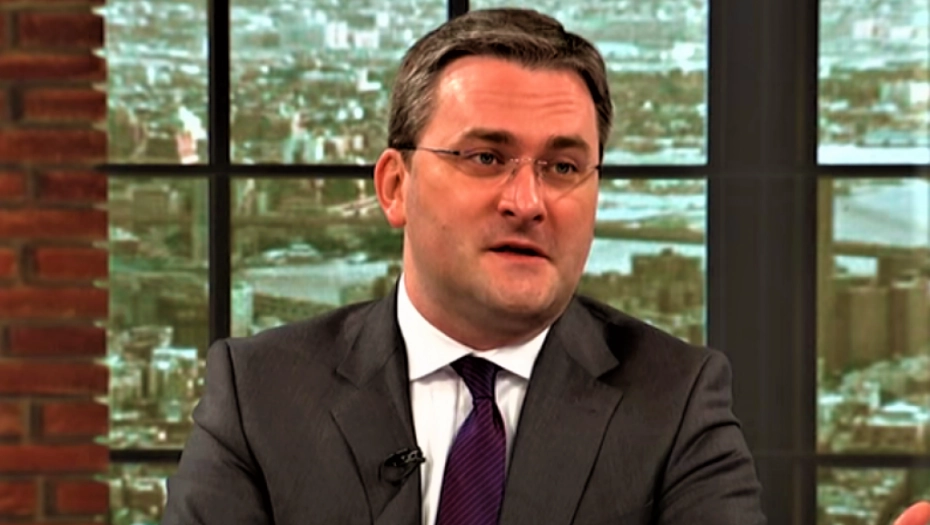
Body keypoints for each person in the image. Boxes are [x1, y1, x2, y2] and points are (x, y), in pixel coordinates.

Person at [162, 8, 929, 525]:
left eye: (563, 167)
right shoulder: (259, 393)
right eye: (485, 157)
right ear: (395, 185)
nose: (527, 201)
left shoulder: (677, 400)